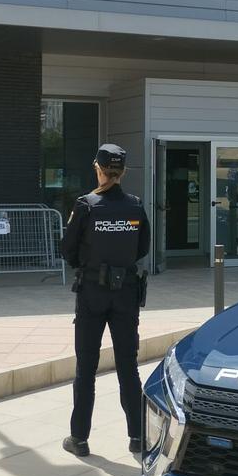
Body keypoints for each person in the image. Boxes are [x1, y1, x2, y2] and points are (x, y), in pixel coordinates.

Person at [60, 143, 150, 458]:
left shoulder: (86, 206)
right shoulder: (135, 207)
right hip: (125, 293)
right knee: (128, 366)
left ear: (98, 169)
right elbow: (142, 249)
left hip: (92, 295)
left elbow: (67, 250)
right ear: (122, 172)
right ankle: (138, 437)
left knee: (86, 368)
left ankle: (79, 439)